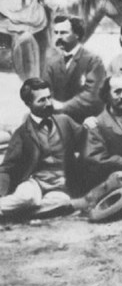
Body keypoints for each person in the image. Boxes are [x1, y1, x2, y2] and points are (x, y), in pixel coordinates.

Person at [0, 78, 85, 218]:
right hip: (35, 183)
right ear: (28, 104)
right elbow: (7, 167)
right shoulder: (22, 133)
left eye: (49, 97)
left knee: (62, 202)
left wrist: (92, 123)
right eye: (42, 100)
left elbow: (88, 139)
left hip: (60, 185)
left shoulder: (64, 121)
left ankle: (22, 214)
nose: (49, 103)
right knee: (27, 198)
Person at [43, 14, 106, 124]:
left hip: (85, 121)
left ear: (77, 34)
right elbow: (44, 89)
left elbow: (93, 95)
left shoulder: (93, 60)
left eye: (63, 33)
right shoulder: (52, 62)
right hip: (57, 120)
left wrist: (63, 106)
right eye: (56, 33)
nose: (58, 37)